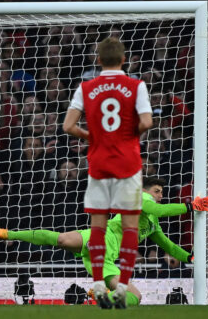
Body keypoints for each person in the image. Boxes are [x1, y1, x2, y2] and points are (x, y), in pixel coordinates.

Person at [0, 177, 208, 307]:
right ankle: (8, 233)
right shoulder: (141, 199)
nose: (160, 195)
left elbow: (168, 246)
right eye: (157, 191)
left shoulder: (152, 224)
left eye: (162, 192)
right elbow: (159, 208)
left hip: (106, 258)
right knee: (61, 239)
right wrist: (189, 206)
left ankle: (99, 296)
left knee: (135, 297)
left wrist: (190, 257)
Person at [62, 37, 153, 308]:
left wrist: (93, 138)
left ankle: (99, 283)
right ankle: (123, 285)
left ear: (98, 60)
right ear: (124, 60)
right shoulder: (136, 86)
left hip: (99, 162)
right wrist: (126, 137)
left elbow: (68, 126)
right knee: (129, 227)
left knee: (98, 227)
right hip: (128, 163)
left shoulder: (86, 87)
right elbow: (147, 121)